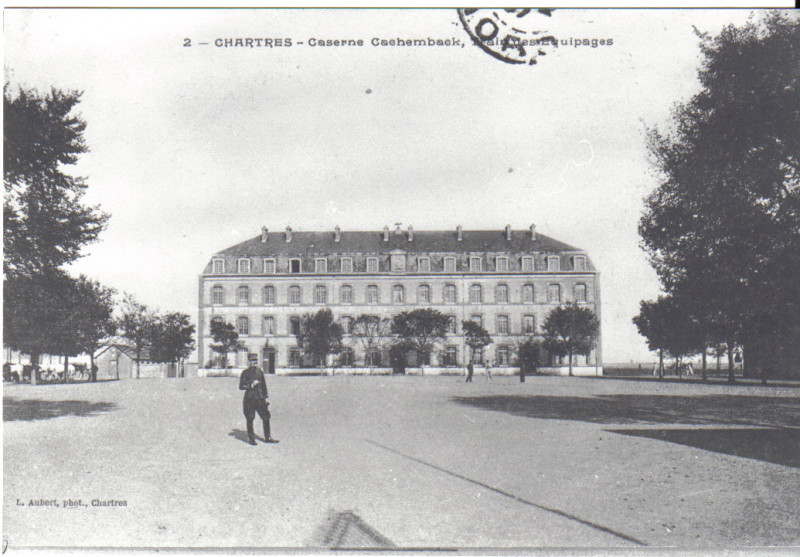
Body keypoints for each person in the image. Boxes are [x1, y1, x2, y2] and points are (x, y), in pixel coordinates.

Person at [239, 353, 278, 446]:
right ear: (249, 362)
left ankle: (267, 437)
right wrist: (251, 385)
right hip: (249, 399)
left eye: (256, 361)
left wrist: (266, 397)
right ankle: (251, 438)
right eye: (252, 361)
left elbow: (264, 385)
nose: (254, 362)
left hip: (260, 398)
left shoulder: (259, 372)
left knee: (266, 417)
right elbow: (241, 386)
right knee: (250, 418)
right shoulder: (245, 373)